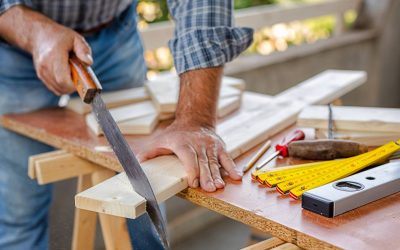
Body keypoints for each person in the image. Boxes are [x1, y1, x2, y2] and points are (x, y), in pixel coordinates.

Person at [0, 0, 253, 249]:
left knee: (143, 193)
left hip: (116, 34)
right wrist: (32, 30)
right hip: (13, 42)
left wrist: (196, 120)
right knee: (19, 212)